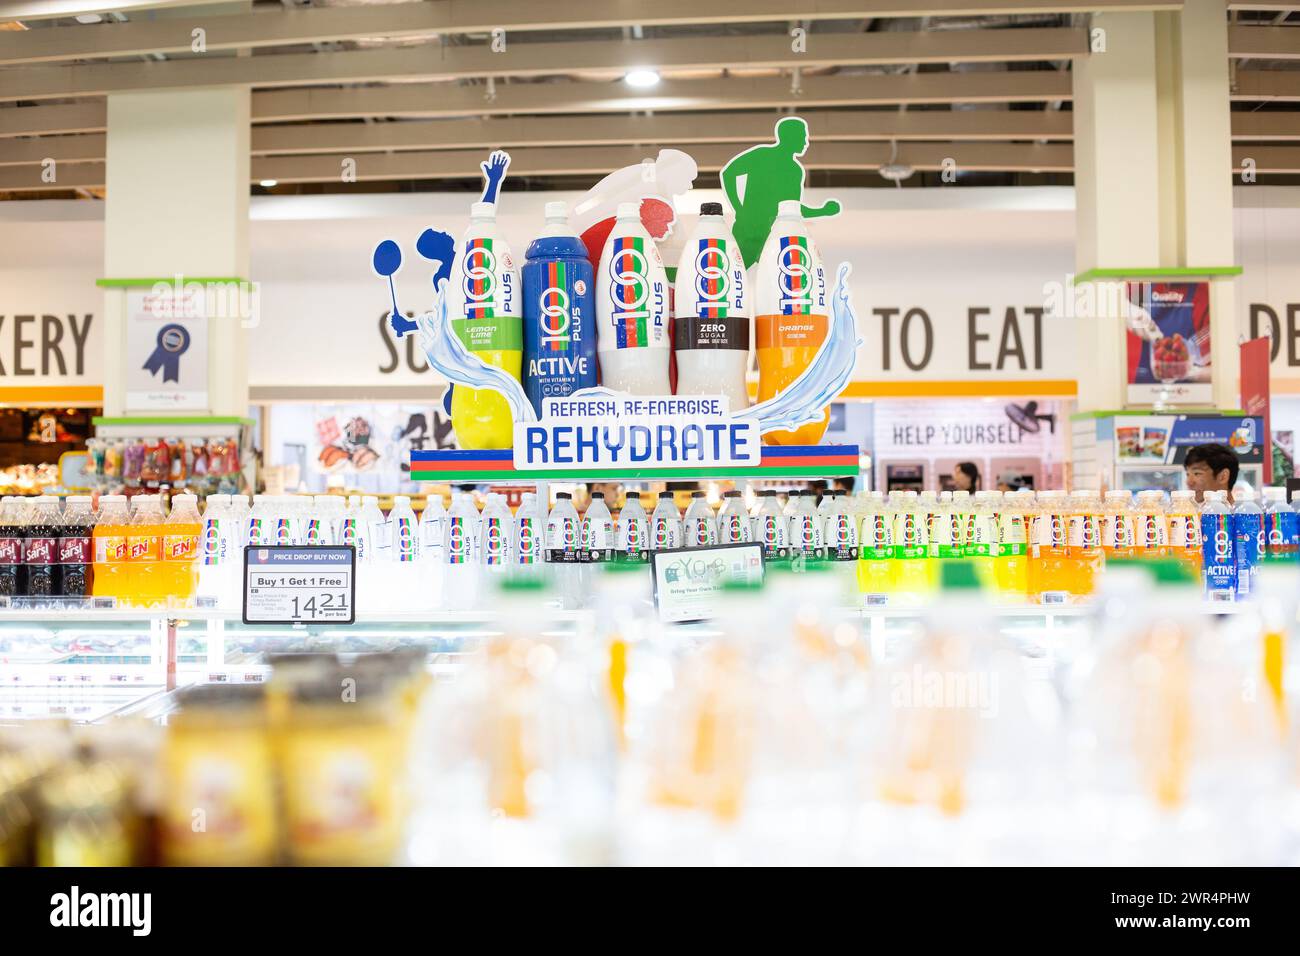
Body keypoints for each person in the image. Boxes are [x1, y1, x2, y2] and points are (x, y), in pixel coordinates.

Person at [720, 116, 841, 268]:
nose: (806, 142)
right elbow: (728, 174)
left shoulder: (794, 171)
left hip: (771, 235)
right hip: (748, 231)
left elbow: (793, 208)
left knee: (779, 280)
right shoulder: (762, 155)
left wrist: (823, 211)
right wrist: (739, 207)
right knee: (732, 275)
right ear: (789, 137)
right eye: (803, 137)